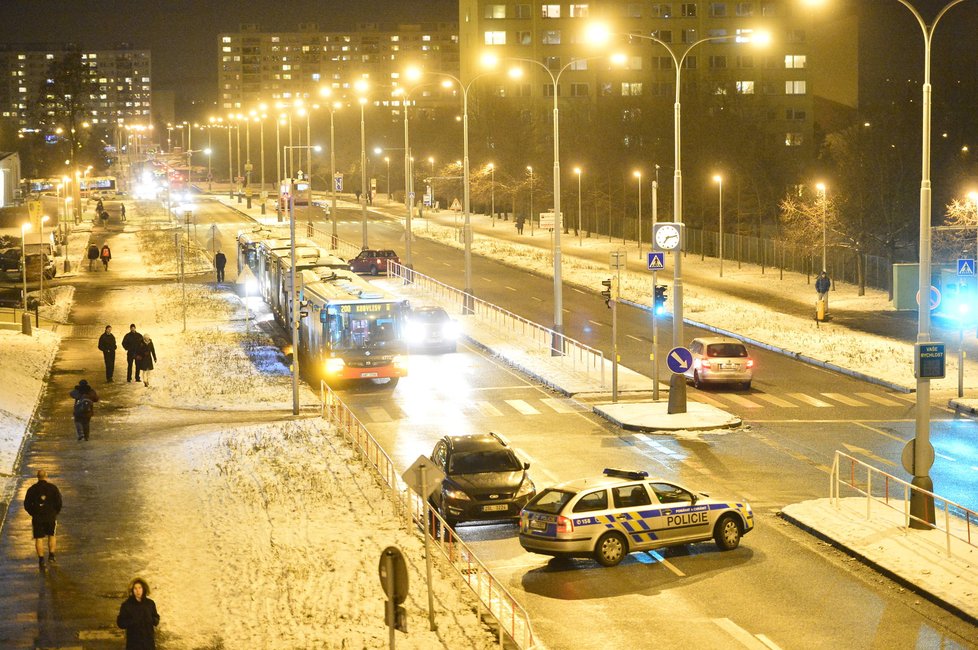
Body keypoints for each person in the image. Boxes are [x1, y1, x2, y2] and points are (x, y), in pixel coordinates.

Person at [24, 469, 62, 570]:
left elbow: (27, 504)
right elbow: (59, 503)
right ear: (46, 476)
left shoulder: (32, 489)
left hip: (38, 517)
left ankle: (41, 559)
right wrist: (54, 513)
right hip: (50, 516)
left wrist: (33, 513)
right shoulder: (53, 488)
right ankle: (51, 556)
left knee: (39, 538)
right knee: (52, 535)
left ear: (37, 477)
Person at [117, 577, 160, 649]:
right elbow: (121, 623)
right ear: (132, 590)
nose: (138, 591)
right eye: (135, 588)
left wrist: (152, 620)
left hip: (148, 643)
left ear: (144, 589)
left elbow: (156, 619)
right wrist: (133, 621)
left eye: (140, 588)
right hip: (133, 643)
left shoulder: (150, 603)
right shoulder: (127, 605)